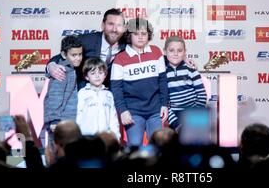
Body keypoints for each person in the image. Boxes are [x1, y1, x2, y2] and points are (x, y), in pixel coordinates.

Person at [110, 18, 169, 147]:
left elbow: (163, 81)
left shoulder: (156, 52)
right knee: (135, 147)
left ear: (149, 35)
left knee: (159, 147)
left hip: (155, 110)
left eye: (144, 34)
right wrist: (123, 111)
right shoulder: (120, 59)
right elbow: (116, 89)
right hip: (133, 112)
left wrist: (164, 104)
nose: (140, 37)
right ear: (129, 36)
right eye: (136, 34)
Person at [47, 8, 126, 90]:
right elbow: (63, 56)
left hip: (112, 93)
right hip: (84, 91)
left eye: (119, 25)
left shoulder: (128, 45)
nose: (114, 29)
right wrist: (51, 66)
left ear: (124, 28)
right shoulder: (87, 40)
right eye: (110, 24)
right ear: (103, 25)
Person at [163, 36, 207, 130]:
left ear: (184, 52)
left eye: (179, 50)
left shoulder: (190, 69)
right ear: (165, 52)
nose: (175, 54)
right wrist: (176, 123)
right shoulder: (162, 72)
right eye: (171, 50)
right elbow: (164, 102)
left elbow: (202, 95)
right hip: (174, 113)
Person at [44, 35, 82, 140]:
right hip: (59, 124)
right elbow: (54, 97)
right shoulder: (61, 72)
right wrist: (54, 121)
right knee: (58, 153)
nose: (78, 58)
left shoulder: (71, 69)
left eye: (80, 54)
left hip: (68, 122)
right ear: (64, 55)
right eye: (74, 55)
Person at [76, 58, 121, 140]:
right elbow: (78, 116)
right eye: (93, 73)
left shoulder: (109, 95)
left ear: (105, 75)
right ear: (86, 76)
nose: (97, 76)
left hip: (105, 138)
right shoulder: (82, 93)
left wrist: (116, 137)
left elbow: (113, 119)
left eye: (100, 73)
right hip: (86, 137)